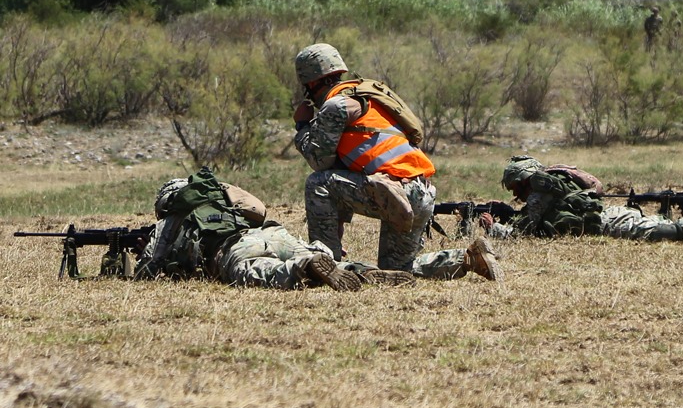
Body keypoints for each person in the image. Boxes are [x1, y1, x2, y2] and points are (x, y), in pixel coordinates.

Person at [291, 43, 496, 280]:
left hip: (395, 193)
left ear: (310, 83)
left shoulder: (336, 105)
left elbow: (320, 162)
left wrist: (302, 126)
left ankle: (325, 266)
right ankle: (469, 258)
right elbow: (341, 170)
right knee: (397, 270)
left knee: (317, 182)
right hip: (421, 192)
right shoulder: (370, 98)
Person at [136, 170, 501, 289]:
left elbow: (151, 265)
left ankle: (305, 268)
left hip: (233, 249)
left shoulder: (172, 218)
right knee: (321, 258)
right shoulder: (225, 199)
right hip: (273, 233)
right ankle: (358, 271)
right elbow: (257, 212)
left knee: (253, 272)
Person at [481, 155, 683, 243]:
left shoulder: (539, 194)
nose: (514, 193)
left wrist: (494, 229)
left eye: (515, 186)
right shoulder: (555, 182)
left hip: (605, 224)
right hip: (608, 214)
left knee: (658, 232)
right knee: (656, 224)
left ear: (524, 179)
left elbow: (525, 233)